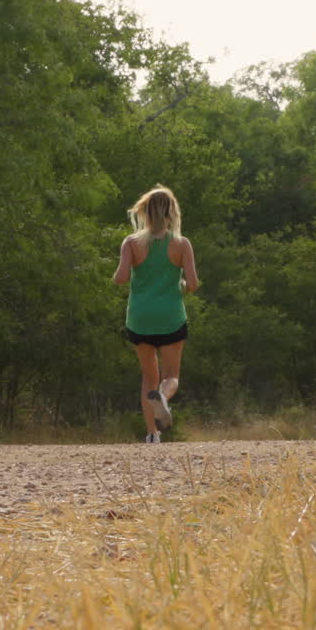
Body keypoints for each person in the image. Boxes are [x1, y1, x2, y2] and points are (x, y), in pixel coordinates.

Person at [112, 185, 200, 443]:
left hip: (139, 319)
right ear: (172, 212)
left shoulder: (131, 242)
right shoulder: (181, 244)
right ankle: (163, 396)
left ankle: (152, 434)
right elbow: (193, 284)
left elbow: (121, 278)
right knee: (171, 376)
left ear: (145, 212)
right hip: (171, 317)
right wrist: (181, 284)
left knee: (148, 377)